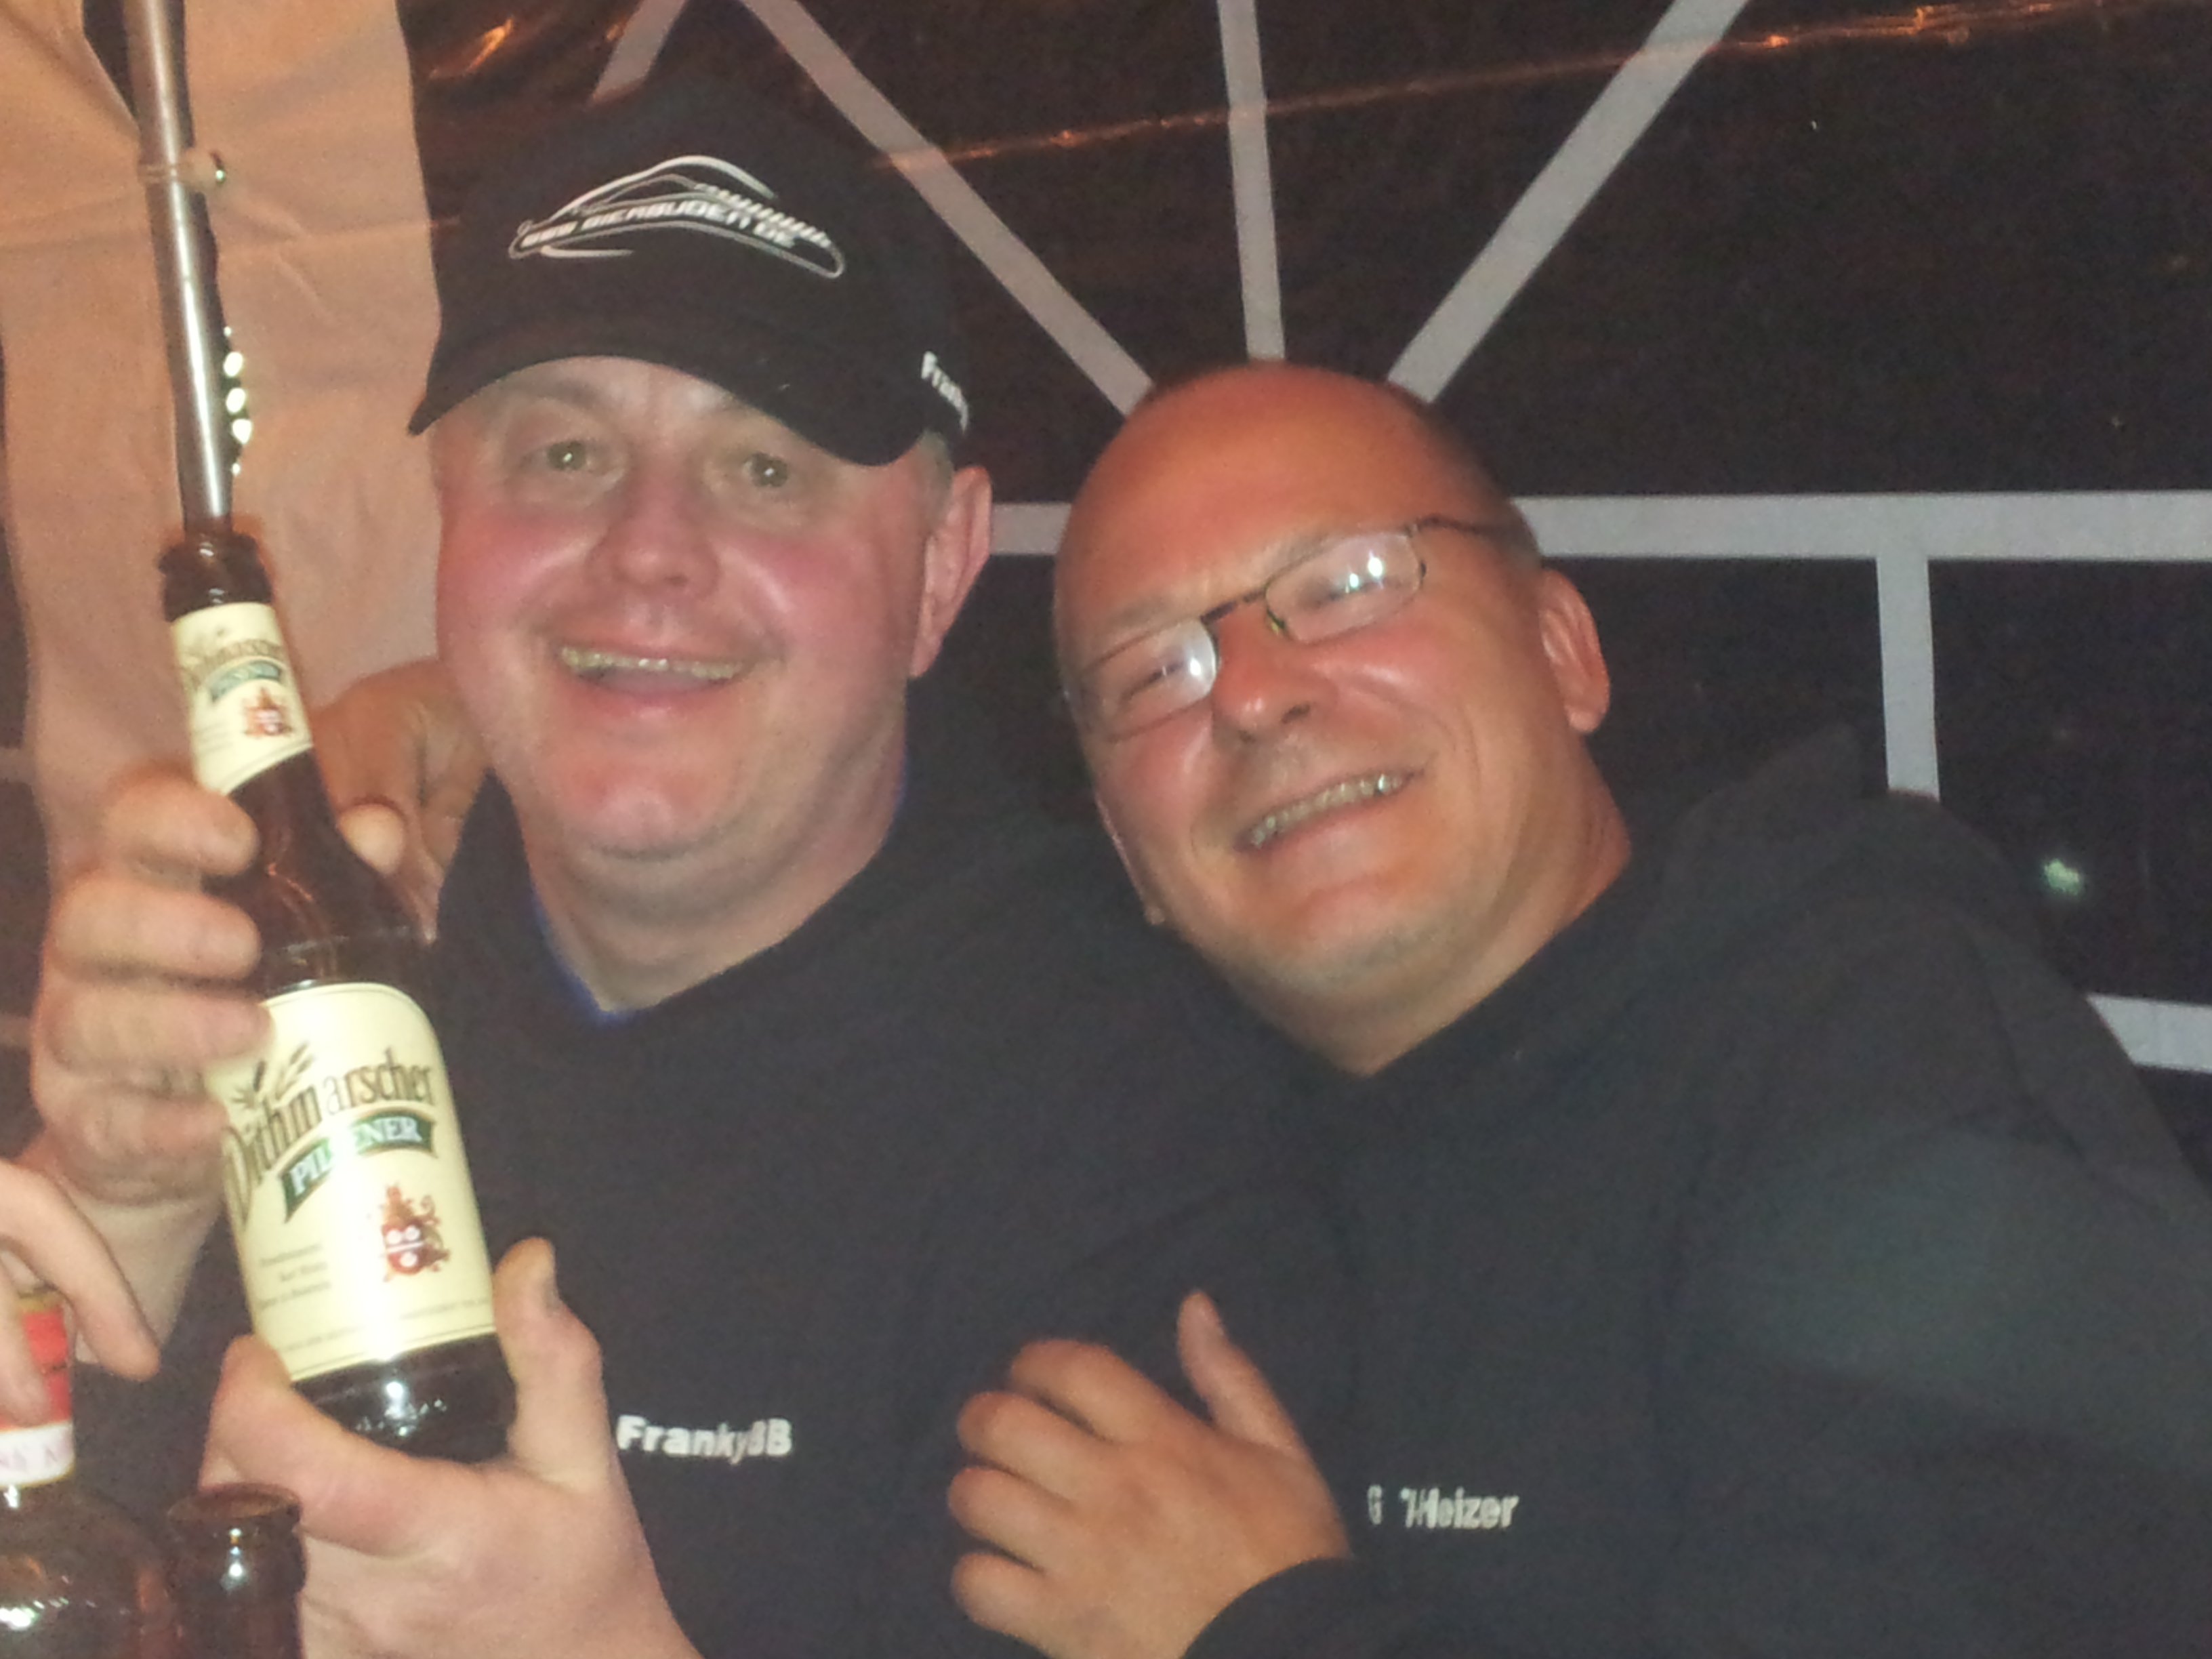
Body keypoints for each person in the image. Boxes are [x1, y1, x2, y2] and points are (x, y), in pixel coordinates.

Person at [23, 85, 1348, 1659]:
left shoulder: (1141, 1132)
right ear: (448, 517)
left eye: (767, 469)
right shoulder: (307, 969)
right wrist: (118, 1225)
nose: (648, 547)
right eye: (564, 451)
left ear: (939, 565)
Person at [946, 362, 2212, 1659]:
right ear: (1125, 846)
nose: (1253, 694)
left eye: (1345, 586)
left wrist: (1255, 1634)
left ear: (1566, 655)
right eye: (1155, 671)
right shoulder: (1139, 1161)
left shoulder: (1901, 1084)